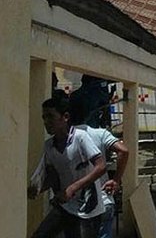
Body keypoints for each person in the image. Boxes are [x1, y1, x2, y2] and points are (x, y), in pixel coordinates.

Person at [28, 95, 106, 238]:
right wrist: (38, 188)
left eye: (50, 116)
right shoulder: (49, 146)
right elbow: (53, 176)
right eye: (44, 117)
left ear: (65, 117)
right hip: (65, 206)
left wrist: (72, 188)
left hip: (87, 208)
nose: (46, 122)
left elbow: (101, 166)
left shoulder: (80, 137)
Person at [71, 100, 129, 238]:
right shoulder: (100, 133)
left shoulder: (65, 139)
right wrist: (116, 180)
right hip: (104, 201)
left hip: (77, 207)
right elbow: (124, 151)